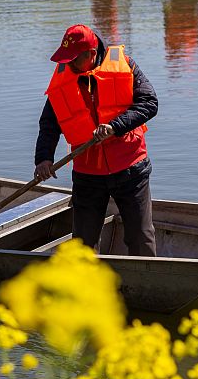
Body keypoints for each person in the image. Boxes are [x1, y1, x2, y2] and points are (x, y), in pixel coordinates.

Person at [34, 24, 158, 255]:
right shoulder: (64, 78)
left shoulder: (125, 65)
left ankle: (146, 285)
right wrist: (43, 158)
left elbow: (149, 103)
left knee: (140, 238)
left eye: (73, 59)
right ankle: (85, 287)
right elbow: (49, 124)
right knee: (83, 245)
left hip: (130, 166)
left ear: (91, 54)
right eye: (66, 58)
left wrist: (115, 127)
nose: (68, 64)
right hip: (88, 171)